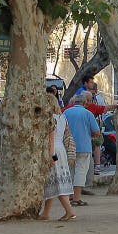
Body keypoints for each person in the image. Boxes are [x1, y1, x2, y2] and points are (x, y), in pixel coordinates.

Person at [39, 93, 76, 222]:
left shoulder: (50, 118)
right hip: (61, 151)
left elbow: (50, 139)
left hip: (53, 151)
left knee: (56, 181)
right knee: (55, 181)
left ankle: (69, 211)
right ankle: (46, 213)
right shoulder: (62, 117)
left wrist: (50, 156)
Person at [64, 94, 101, 206]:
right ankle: (77, 198)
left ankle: (69, 196)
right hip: (84, 146)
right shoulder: (88, 113)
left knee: (70, 171)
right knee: (80, 171)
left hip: (68, 146)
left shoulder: (66, 112)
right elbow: (97, 131)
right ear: (85, 103)